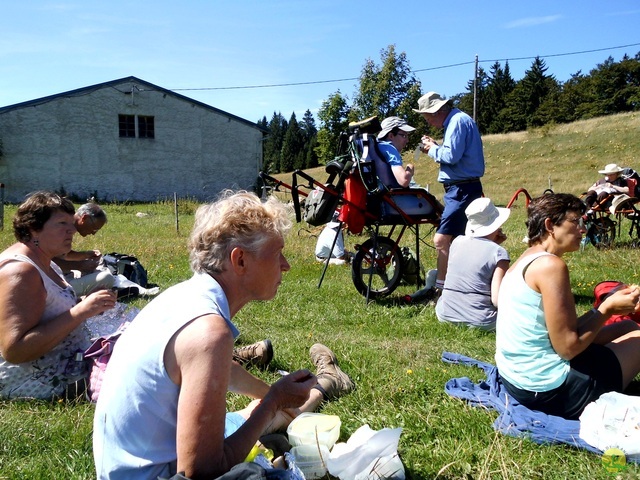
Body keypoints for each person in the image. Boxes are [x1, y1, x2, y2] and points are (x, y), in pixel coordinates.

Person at [93, 190, 355, 480]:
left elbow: (220, 371)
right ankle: (325, 385)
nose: (286, 265)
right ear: (240, 260)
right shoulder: (209, 332)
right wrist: (272, 403)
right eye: (276, 253)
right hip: (156, 475)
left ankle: (327, 383)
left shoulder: (182, 298)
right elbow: (201, 471)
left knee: (262, 411)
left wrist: (269, 396)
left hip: (126, 465)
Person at [495, 193, 640, 420]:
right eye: (576, 221)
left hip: (519, 382)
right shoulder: (551, 266)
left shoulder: (525, 260)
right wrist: (607, 309)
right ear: (550, 225)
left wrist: (603, 305)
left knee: (628, 326)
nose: (583, 229)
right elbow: (567, 348)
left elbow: (561, 330)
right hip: (552, 391)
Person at [0, 191, 117, 400]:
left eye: (71, 223)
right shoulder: (20, 271)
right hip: (36, 380)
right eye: (62, 224)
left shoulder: (47, 261)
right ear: (33, 228)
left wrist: (85, 304)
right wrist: (80, 311)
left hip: (67, 360)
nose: (72, 230)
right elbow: (15, 351)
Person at [414, 92, 485, 294]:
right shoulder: (458, 120)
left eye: (427, 116)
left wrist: (431, 150)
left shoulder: (456, 122)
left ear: (437, 111)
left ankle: (441, 291)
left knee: (442, 240)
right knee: (461, 240)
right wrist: (436, 146)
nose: (426, 120)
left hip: (461, 189)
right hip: (463, 187)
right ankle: (462, 286)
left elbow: (451, 156)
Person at [436, 198, 510, 331]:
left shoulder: (457, 242)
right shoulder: (499, 253)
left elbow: (473, 259)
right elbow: (497, 299)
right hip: (482, 320)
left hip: (445, 314)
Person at [53, 203, 115, 296]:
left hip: (65, 275)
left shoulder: (67, 228)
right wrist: (79, 265)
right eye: (94, 229)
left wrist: (87, 254)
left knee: (100, 268)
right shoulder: (60, 230)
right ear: (84, 218)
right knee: (107, 278)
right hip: (57, 284)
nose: (93, 234)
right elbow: (47, 261)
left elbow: (63, 254)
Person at [376, 116, 416, 188]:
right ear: (391, 136)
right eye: (404, 136)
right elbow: (404, 180)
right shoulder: (389, 148)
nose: (407, 140)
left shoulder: (378, 146)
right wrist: (410, 168)